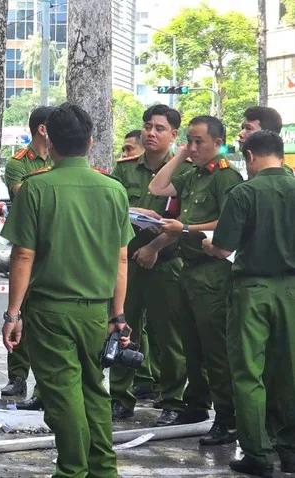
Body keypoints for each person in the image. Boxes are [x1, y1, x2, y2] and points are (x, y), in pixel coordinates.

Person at [0, 103, 133, 478]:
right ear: (90, 143)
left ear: (50, 143)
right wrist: (118, 315)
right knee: (94, 390)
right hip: (95, 313)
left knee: (62, 395)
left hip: (50, 312)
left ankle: (72, 470)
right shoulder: (113, 190)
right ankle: (103, 469)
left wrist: (13, 314)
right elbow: (121, 259)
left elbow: (23, 255)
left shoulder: (36, 187)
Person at [202, 131, 295, 477]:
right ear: (281, 155)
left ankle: (258, 453)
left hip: (252, 290)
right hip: (292, 290)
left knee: (248, 373)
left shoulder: (244, 192)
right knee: (289, 371)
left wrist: (207, 246)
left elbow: (223, 248)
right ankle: (290, 450)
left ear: (251, 157)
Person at [148, 115, 244, 445]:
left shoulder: (225, 176)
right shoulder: (192, 174)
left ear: (218, 143)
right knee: (190, 342)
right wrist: (180, 154)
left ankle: (227, 417)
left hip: (212, 271)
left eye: (198, 141)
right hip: (188, 269)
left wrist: (186, 229)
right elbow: (157, 187)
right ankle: (197, 404)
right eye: (189, 140)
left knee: (214, 346)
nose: (193, 147)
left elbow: (228, 222)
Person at [109, 105, 192, 425]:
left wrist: (155, 247)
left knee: (169, 336)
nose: (150, 133)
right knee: (123, 329)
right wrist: (138, 211)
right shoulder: (125, 169)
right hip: (128, 262)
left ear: (174, 135)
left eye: (159, 128)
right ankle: (120, 396)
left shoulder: (185, 172)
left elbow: (189, 220)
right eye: (147, 126)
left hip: (167, 263)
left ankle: (172, 400)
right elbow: (111, 205)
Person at [0, 105, 55, 401]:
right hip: (27, 243)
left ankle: (44, 385)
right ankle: (18, 376)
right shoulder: (18, 162)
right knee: (19, 307)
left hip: (54, 244)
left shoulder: (61, 157)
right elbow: (25, 195)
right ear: (43, 129)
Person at [238, 106, 294, 177]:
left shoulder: (278, 176)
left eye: (248, 128)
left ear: (266, 134)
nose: (240, 134)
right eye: (243, 128)